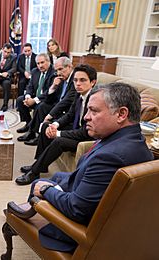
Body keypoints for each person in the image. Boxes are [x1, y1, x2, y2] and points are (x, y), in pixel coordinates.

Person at [22, 82, 153, 252]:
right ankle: (27, 210)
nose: (86, 117)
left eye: (94, 111)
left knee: (38, 186)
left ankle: (25, 216)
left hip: (79, 233)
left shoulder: (109, 158)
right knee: (57, 177)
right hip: (113, 216)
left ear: (121, 114)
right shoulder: (137, 142)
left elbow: (76, 209)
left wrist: (46, 190)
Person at [16, 64, 97, 185]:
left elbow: (85, 132)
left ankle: (34, 172)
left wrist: (58, 133)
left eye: (83, 80)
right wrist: (55, 125)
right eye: (75, 80)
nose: (78, 84)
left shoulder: (95, 100)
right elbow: (70, 115)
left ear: (93, 82)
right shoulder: (79, 95)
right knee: (45, 126)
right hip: (77, 128)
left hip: (87, 137)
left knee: (59, 141)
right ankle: (39, 165)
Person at [18, 57, 76, 145]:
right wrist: (53, 86)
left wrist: (49, 114)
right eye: (57, 70)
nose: (59, 73)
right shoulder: (59, 77)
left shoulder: (73, 79)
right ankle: (31, 129)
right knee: (25, 101)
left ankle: (36, 134)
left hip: (65, 108)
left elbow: (66, 101)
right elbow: (33, 88)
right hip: (54, 103)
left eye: (61, 69)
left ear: (69, 67)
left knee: (41, 106)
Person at [16, 53, 55, 139]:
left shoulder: (53, 73)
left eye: (42, 62)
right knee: (20, 100)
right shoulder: (35, 71)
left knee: (40, 106)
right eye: (38, 63)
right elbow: (30, 86)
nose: (40, 65)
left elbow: (49, 92)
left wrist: (34, 100)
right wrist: (28, 97)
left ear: (48, 61)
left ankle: (33, 131)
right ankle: (29, 124)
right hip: (35, 97)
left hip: (47, 100)